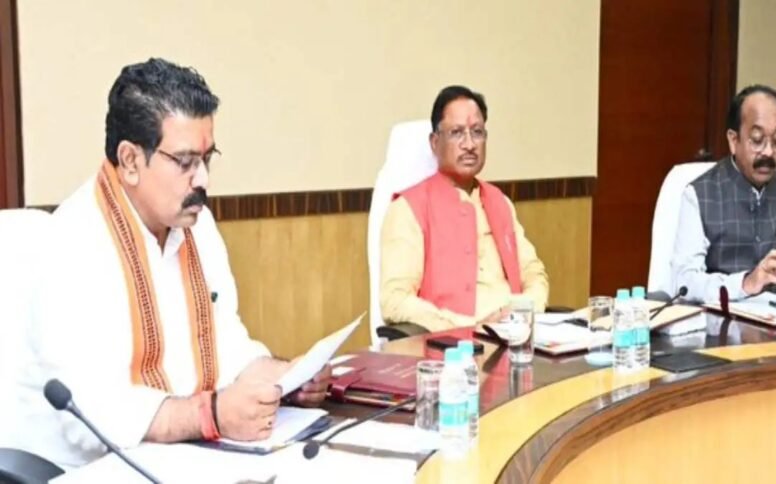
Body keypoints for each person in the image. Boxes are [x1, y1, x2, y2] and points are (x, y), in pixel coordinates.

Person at [5, 58, 331, 468]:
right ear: (130, 161)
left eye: (207, 159)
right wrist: (212, 416)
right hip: (82, 470)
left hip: (181, 456)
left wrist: (283, 379)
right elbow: (92, 414)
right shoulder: (73, 243)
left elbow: (227, 346)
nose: (203, 180)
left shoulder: (198, 226)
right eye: (185, 162)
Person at [379, 85, 549, 332]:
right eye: (457, 133)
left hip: (516, 337)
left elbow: (533, 272)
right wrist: (472, 327)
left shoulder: (499, 201)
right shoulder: (408, 208)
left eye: (477, 132)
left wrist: (526, 310)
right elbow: (394, 301)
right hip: (453, 345)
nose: (469, 144)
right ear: (435, 142)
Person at [672, 84, 776, 303]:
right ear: (734, 141)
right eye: (757, 140)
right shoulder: (699, 194)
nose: (769, 152)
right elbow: (684, 282)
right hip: (723, 319)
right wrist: (745, 283)